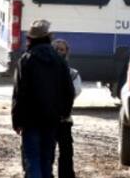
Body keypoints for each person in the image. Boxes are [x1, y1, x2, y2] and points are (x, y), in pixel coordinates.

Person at [12, 20, 75, 178]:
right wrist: (63, 113)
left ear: (30, 39)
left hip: (30, 120)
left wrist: (17, 120)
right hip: (52, 119)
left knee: (32, 160)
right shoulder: (60, 61)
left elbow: (19, 93)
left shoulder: (26, 60)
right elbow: (69, 91)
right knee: (46, 161)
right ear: (48, 38)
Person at [52, 39, 82, 178]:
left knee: (66, 152)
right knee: (47, 153)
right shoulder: (44, 72)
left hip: (64, 119)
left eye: (62, 49)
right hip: (47, 120)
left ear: (66, 52)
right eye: (56, 49)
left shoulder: (73, 74)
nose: (59, 52)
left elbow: (75, 91)